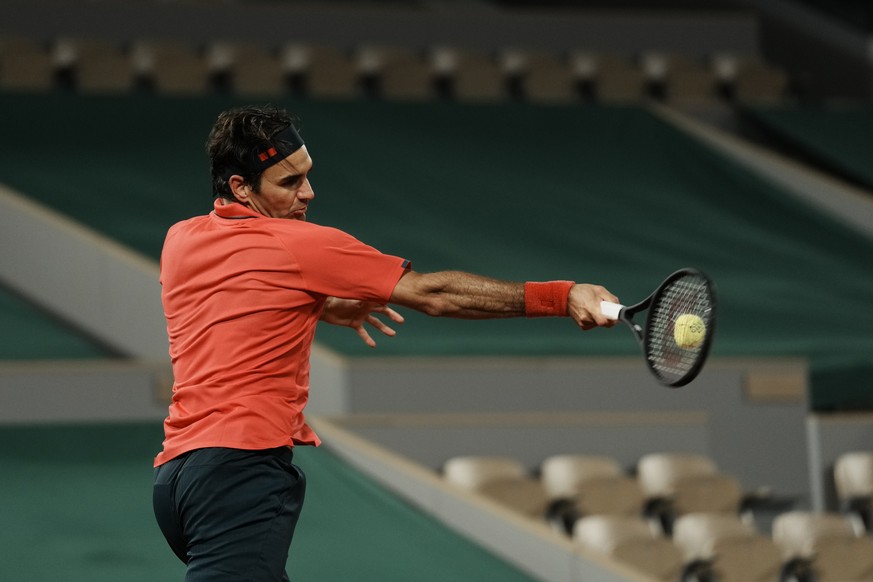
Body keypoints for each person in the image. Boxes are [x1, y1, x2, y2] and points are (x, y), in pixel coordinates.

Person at [152, 104, 619, 581]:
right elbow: (435, 295)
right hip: (239, 471)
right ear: (240, 187)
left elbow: (228, 300)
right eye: (289, 183)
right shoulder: (299, 244)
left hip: (175, 482)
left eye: (306, 175)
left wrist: (323, 306)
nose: (308, 193)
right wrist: (562, 296)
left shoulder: (180, 240)